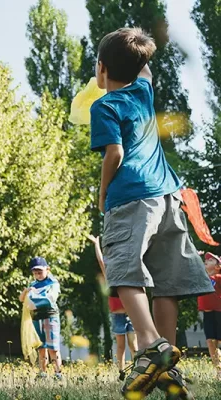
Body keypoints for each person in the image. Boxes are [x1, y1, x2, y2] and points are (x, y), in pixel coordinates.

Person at [91, 27, 212, 398]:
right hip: (167, 196)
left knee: (123, 269)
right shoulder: (143, 90)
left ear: (101, 69)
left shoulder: (105, 106)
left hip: (131, 197)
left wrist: (103, 193)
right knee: (166, 283)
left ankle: (151, 344)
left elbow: (115, 154)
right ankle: (168, 372)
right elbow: (145, 68)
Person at [87, 234, 137, 380]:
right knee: (120, 346)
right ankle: (121, 371)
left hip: (130, 315)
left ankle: (137, 370)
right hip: (117, 316)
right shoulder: (109, 277)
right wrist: (97, 243)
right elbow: (101, 261)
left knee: (134, 345)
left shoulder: (128, 276)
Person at [19, 257, 62, 380]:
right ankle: (42, 373)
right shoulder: (32, 284)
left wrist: (36, 303)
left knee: (53, 347)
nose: (38, 275)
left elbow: (51, 298)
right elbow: (22, 299)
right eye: (35, 272)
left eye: (40, 272)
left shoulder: (53, 283)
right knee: (41, 347)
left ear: (47, 269)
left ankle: (58, 373)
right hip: (36, 318)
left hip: (50, 316)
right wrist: (26, 291)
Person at [197, 252, 221, 379]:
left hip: (219, 312)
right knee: (210, 341)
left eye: (211, 260)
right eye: (205, 259)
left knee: (218, 341)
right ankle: (218, 371)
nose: (206, 260)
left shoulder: (218, 277)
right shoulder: (201, 277)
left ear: (218, 266)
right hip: (207, 314)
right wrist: (195, 256)